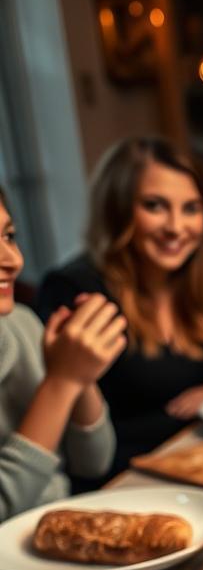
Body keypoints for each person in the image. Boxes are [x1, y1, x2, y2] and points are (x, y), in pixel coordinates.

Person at [36, 137, 203, 478]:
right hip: (123, 479)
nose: (176, 227)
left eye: (191, 208)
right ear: (117, 210)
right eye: (154, 206)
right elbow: (73, 435)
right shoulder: (76, 290)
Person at [0, 186, 124, 518]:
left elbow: (93, 461)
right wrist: (63, 381)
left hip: (62, 530)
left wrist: (81, 374)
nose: (14, 261)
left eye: (8, 236)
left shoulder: (22, 324)